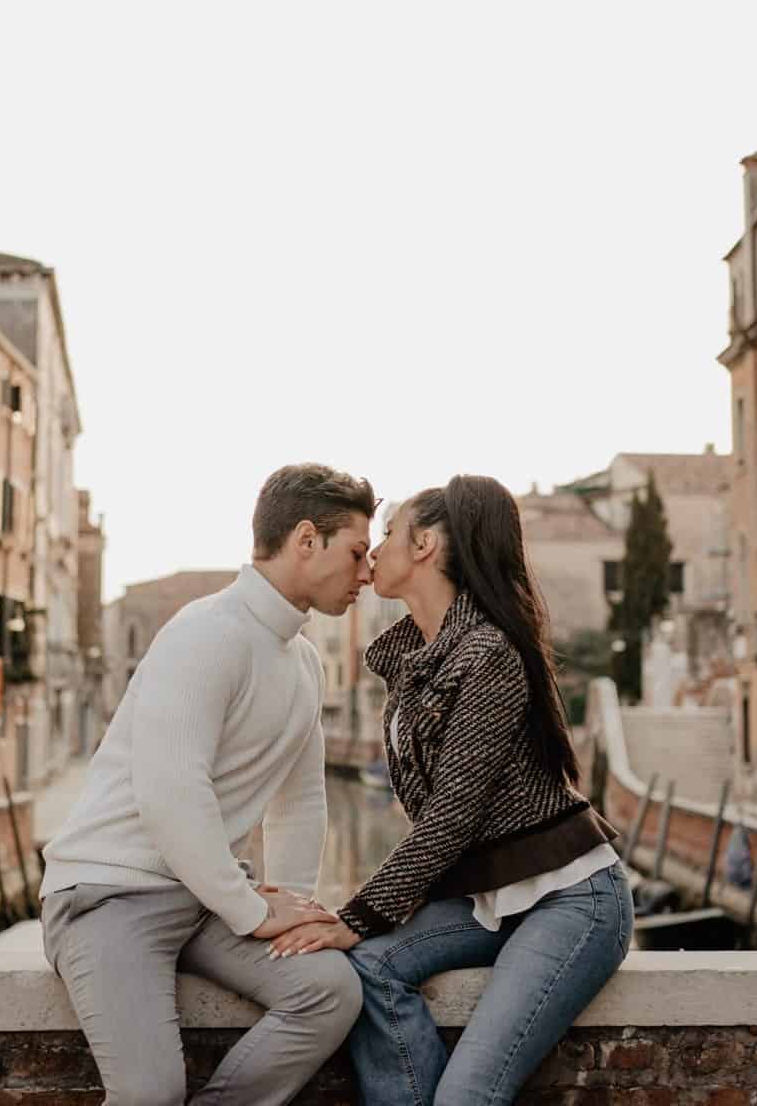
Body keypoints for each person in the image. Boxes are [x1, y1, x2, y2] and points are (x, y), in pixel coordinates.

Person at [271, 474, 633, 1105]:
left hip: (571, 899)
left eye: (388, 534)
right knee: (370, 966)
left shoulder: (488, 654)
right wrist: (356, 928)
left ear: (426, 546)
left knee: (468, 1095)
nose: (373, 552)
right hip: (488, 896)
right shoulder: (418, 658)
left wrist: (356, 914)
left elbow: (450, 817)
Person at [39, 463, 377, 1105]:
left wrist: (294, 912)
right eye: (357, 552)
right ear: (307, 540)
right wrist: (251, 910)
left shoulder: (305, 664)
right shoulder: (205, 634)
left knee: (330, 991)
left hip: (205, 900)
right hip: (110, 894)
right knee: (150, 1094)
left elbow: (301, 801)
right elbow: (172, 796)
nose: (367, 573)